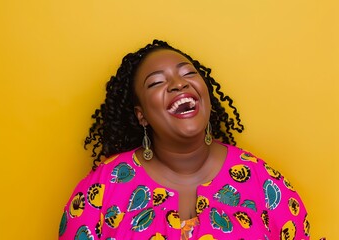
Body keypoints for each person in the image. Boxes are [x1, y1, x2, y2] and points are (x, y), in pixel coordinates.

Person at [59, 40, 310, 239]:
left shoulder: (263, 182)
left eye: (188, 74)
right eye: (156, 82)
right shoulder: (103, 188)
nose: (178, 84)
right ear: (142, 115)